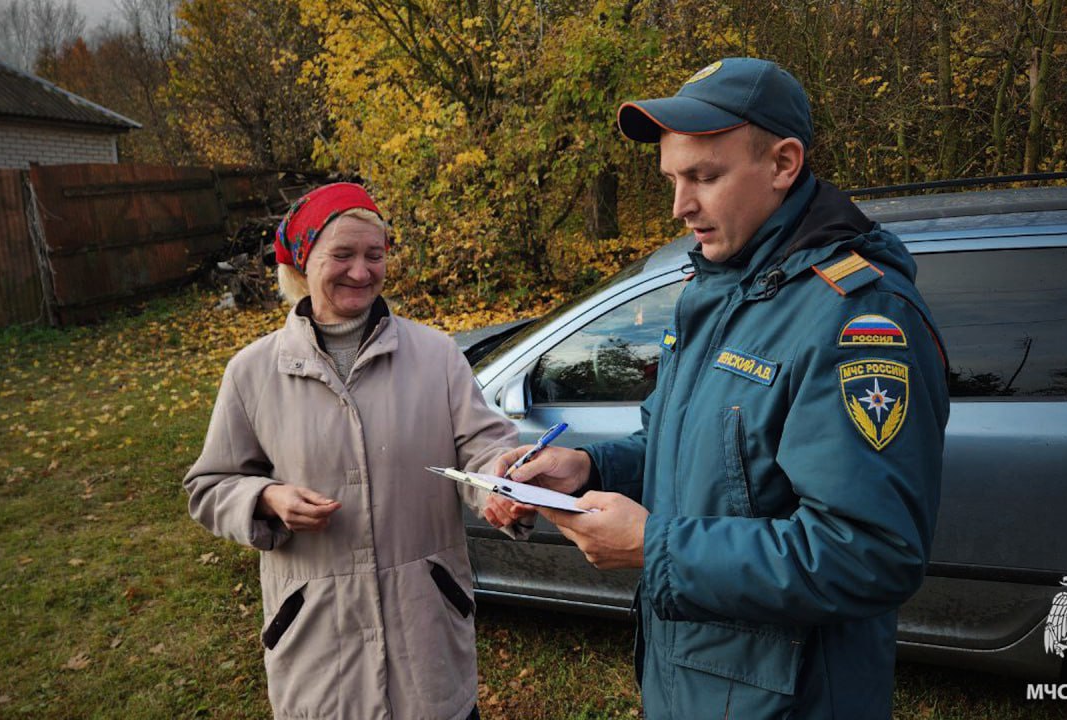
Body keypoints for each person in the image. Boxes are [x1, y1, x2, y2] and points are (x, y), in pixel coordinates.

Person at [483, 58, 950, 719]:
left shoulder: (856, 316)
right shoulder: (715, 289)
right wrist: (587, 468)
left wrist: (656, 547)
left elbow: (871, 552)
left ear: (784, 164)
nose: (681, 206)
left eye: (704, 176)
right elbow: (696, 454)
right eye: (673, 179)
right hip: (692, 687)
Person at [185, 182, 520, 720]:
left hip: (427, 645)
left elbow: (485, 447)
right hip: (320, 652)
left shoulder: (437, 356)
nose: (361, 271)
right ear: (303, 261)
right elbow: (210, 486)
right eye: (342, 254)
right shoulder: (252, 372)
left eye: (374, 254)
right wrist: (266, 498)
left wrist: (503, 478)